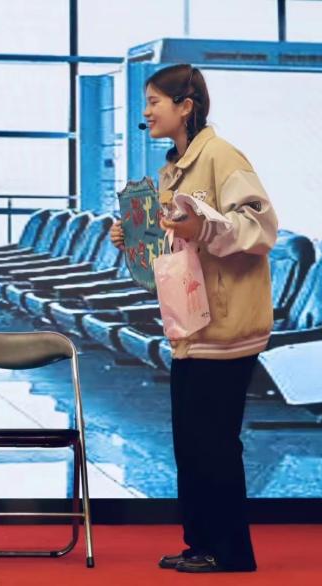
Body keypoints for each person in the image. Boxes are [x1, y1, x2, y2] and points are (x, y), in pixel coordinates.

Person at [111, 64, 277, 573]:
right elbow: (175, 244)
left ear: (186, 106)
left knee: (215, 443)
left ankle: (230, 552)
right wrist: (132, 238)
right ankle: (200, 544)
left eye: (154, 102)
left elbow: (261, 227)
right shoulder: (174, 170)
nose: (146, 112)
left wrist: (201, 227)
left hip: (227, 325)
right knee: (191, 443)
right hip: (190, 326)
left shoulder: (222, 157)